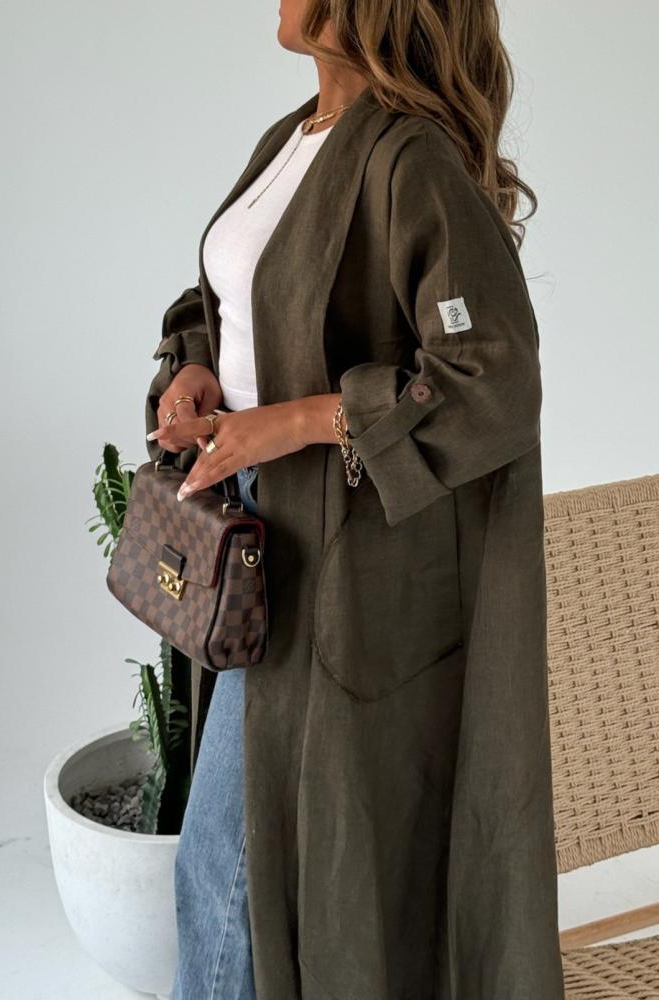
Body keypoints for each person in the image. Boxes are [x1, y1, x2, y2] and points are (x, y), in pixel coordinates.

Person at [144, 1, 566, 998]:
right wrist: (195, 368)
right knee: (239, 864)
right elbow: (233, 299)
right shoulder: (292, 138)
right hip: (251, 529)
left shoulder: (411, 160)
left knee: (232, 864)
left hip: (337, 557)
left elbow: (491, 377)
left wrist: (293, 422)